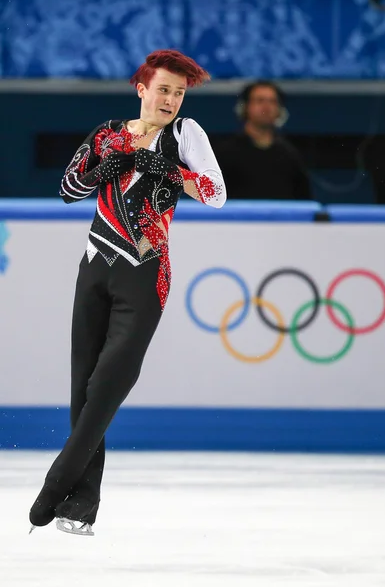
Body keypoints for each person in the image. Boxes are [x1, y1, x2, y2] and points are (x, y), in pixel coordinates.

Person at [29, 49, 226, 537]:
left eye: (179, 93)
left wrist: (163, 170)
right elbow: (68, 189)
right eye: (164, 90)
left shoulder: (185, 134)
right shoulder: (106, 133)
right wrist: (105, 167)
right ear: (142, 89)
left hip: (145, 272)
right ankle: (82, 504)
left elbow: (216, 193)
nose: (172, 100)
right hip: (94, 267)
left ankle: (55, 487)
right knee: (82, 386)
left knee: (108, 386)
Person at [215, 80, 311, 200]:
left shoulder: (290, 155)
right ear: (244, 107)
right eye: (260, 101)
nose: (267, 107)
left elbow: (303, 200)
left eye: (272, 101)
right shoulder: (225, 153)